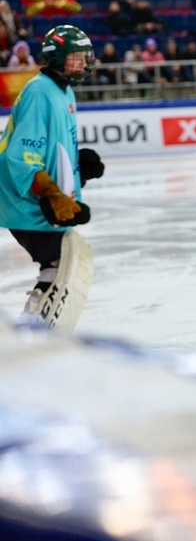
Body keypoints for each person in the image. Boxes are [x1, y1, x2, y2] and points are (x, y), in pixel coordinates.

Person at [0, 25, 104, 325]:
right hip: (26, 199)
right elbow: (20, 157)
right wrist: (52, 194)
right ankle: (32, 327)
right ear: (56, 58)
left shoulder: (64, 90)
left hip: (39, 197)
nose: (84, 63)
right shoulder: (39, 92)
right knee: (59, 262)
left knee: (60, 260)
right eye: (76, 57)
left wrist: (76, 169)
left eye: (86, 56)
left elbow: (51, 147)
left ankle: (34, 326)